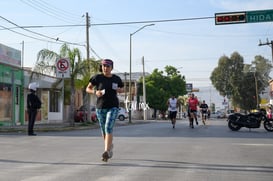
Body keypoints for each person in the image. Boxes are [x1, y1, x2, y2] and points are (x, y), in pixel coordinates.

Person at [86, 59, 124, 162]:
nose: (105, 68)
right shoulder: (97, 78)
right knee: (103, 130)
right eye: (103, 66)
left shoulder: (116, 78)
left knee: (108, 126)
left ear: (111, 68)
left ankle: (106, 151)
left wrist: (119, 90)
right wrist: (95, 92)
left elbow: (122, 89)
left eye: (107, 66)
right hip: (100, 107)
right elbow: (88, 88)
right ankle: (110, 147)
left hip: (113, 107)